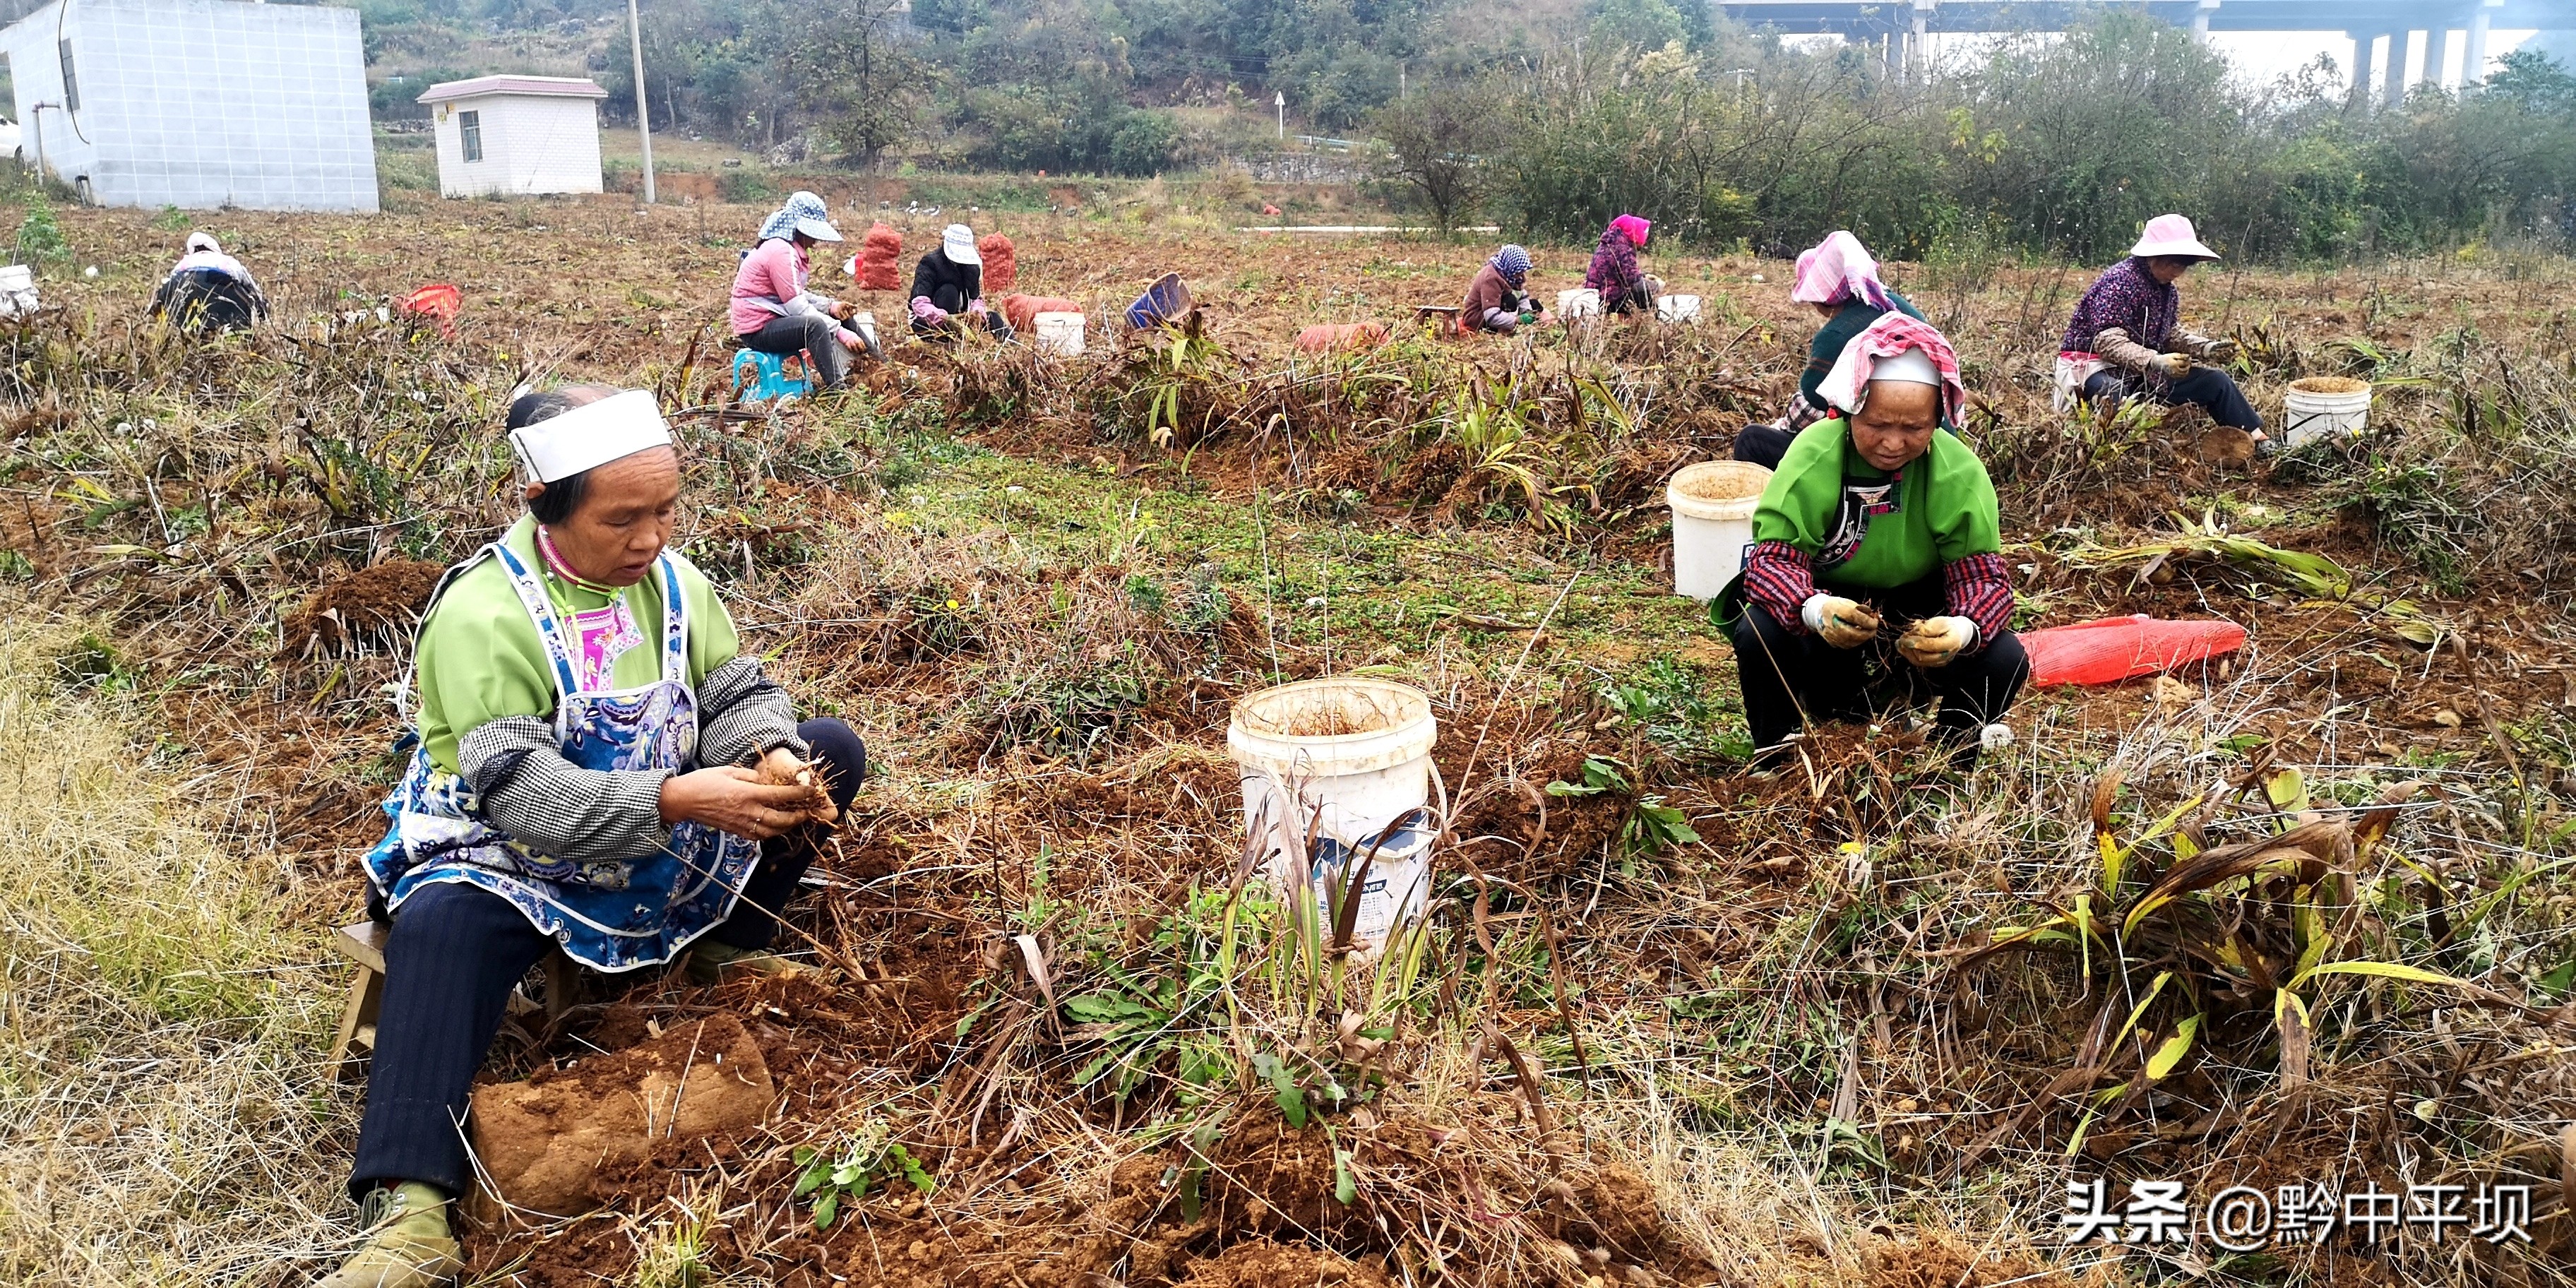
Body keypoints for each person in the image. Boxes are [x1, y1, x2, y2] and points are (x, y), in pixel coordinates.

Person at [315, 384, 866, 1288]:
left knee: (828, 752)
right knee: (441, 925)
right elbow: (524, 796)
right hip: (513, 849)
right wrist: (677, 800)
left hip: (657, 827)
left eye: (666, 510)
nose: (651, 539)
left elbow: (732, 690)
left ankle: (723, 946)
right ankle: (410, 1209)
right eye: (623, 519)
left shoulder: (673, 584)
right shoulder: (485, 615)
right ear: (546, 504)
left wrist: (766, 754)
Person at [1718, 315, 2026, 768]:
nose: (1893, 443)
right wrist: (1814, 608)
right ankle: (1776, 759)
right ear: (1851, 409)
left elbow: (1983, 578)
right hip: (1830, 611)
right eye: (1877, 423)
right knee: (1759, 631)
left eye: (1915, 428)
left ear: (1937, 420)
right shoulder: (1815, 453)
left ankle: (1946, 765)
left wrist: (1962, 629)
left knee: (2005, 656)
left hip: (1914, 617)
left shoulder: (1957, 471)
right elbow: (1771, 562)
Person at [2056, 214, 2265, 449]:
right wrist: (2155, 360)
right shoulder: (2119, 282)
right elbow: (2107, 342)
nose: (2178, 271)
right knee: (2113, 391)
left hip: (2139, 371)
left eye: (2184, 265)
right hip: (2092, 367)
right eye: (2174, 263)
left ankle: (2258, 439)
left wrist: (2206, 348)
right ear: (2153, 255)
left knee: (2216, 382)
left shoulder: (2167, 291)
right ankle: (2111, 451)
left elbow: (2169, 334)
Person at [1736, 230, 1926, 470]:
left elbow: (1810, 407)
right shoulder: (1897, 306)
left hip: (1873, 450)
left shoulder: (1836, 335)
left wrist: (1780, 426)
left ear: (1821, 298)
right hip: (1921, 440)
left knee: (1751, 440)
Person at [732, 191, 877, 389]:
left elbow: (794, 293)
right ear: (799, 229)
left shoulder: (784, 248)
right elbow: (796, 306)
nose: (815, 242)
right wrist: (841, 333)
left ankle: (878, 364)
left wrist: (831, 306)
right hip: (758, 330)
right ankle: (837, 390)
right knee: (815, 327)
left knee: (840, 315)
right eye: (812, 235)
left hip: (774, 319)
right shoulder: (780, 252)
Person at [910, 222, 1013, 342]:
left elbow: (975, 299)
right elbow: (919, 303)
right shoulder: (930, 263)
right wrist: (946, 319)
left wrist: (976, 313)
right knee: (949, 291)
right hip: (930, 323)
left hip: (961, 319)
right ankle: (947, 341)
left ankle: (1012, 345)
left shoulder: (971, 268)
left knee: (993, 318)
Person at [148, 231, 267, 333]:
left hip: (187, 306)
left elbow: (169, 287)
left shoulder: (183, 264)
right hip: (226, 305)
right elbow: (252, 288)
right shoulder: (229, 262)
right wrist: (263, 315)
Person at [1582, 215, 1662, 316]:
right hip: (1607, 298)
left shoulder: (1611, 243)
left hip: (1595, 295)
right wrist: (1656, 285)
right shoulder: (1623, 249)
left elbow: (1624, 273)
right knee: (1643, 294)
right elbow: (1634, 282)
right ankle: (1657, 318)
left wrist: (1643, 276)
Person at [1460, 244, 1549, 334]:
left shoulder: (1510, 274)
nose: (1521, 276)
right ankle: (1502, 331)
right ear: (1511, 266)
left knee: (1534, 304)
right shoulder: (1491, 278)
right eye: (1519, 272)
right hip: (1479, 318)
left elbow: (1521, 296)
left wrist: (1527, 313)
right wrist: (1517, 320)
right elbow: (1491, 315)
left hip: (1498, 309)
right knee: (1510, 301)